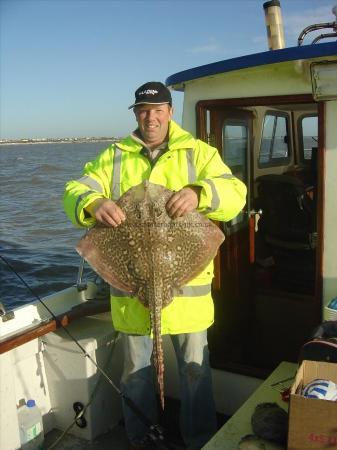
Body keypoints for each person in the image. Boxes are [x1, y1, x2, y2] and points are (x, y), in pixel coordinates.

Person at [64, 81, 247, 449]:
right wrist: (92, 203)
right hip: (133, 295)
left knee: (196, 373)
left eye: (158, 110)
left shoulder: (198, 153)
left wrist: (200, 193)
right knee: (136, 375)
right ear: (135, 113)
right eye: (144, 111)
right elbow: (74, 189)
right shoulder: (113, 156)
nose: (151, 117)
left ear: (170, 112)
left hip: (189, 295)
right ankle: (141, 439)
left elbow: (235, 194)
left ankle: (199, 440)